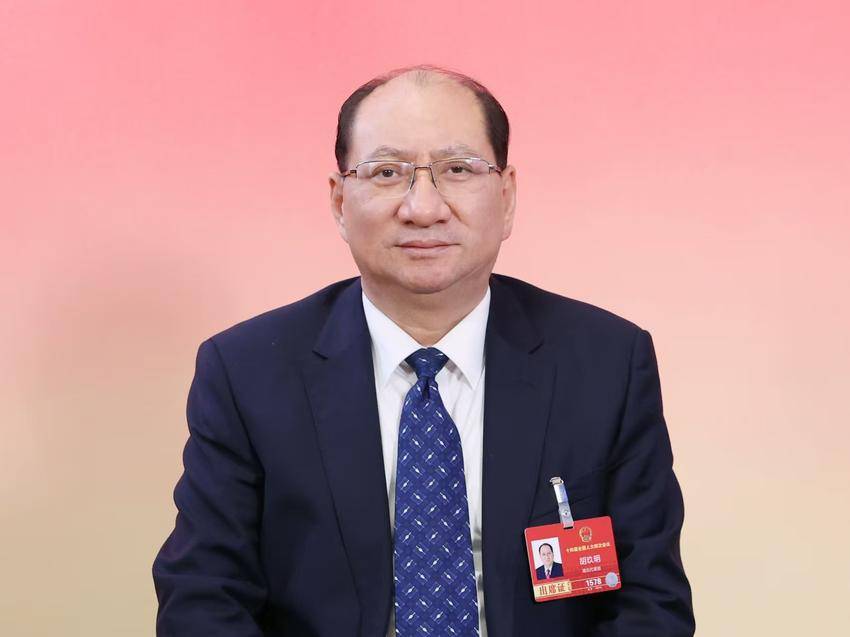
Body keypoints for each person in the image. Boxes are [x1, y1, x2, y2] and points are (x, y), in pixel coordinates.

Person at [152, 65, 695, 636]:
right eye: (387, 172)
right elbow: (202, 599)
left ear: (507, 196)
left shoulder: (605, 364)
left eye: (458, 170)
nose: (423, 207)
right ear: (339, 201)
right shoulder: (247, 373)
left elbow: (651, 604)